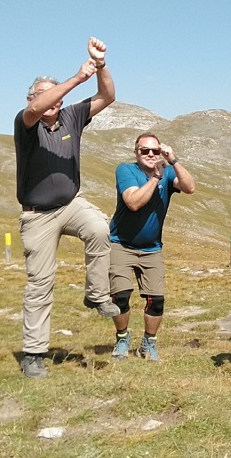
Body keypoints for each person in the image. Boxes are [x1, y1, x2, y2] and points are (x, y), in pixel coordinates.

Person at [14, 36, 120, 379]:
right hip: (38, 215)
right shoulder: (26, 123)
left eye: (55, 95)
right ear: (31, 98)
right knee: (40, 284)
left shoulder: (71, 117)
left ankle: (96, 295)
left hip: (71, 204)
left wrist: (100, 65)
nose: (51, 100)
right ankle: (33, 354)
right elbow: (36, 109)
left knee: (99, 228)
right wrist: (76, 78)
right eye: (43, 94)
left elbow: (107, 96)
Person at [107, 132, 196, 362]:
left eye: (155, 151)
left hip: (152, 248)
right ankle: (122, 338)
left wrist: (174, 161)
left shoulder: (168, 171)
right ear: (136, 152)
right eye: (144, 150)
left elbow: (189, 188)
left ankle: (148, 343)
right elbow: (133, 202)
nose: (150, 154)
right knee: (120, 296)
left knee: (156, 301)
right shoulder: (126, 170)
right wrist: (156, 178)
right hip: (121, 244)